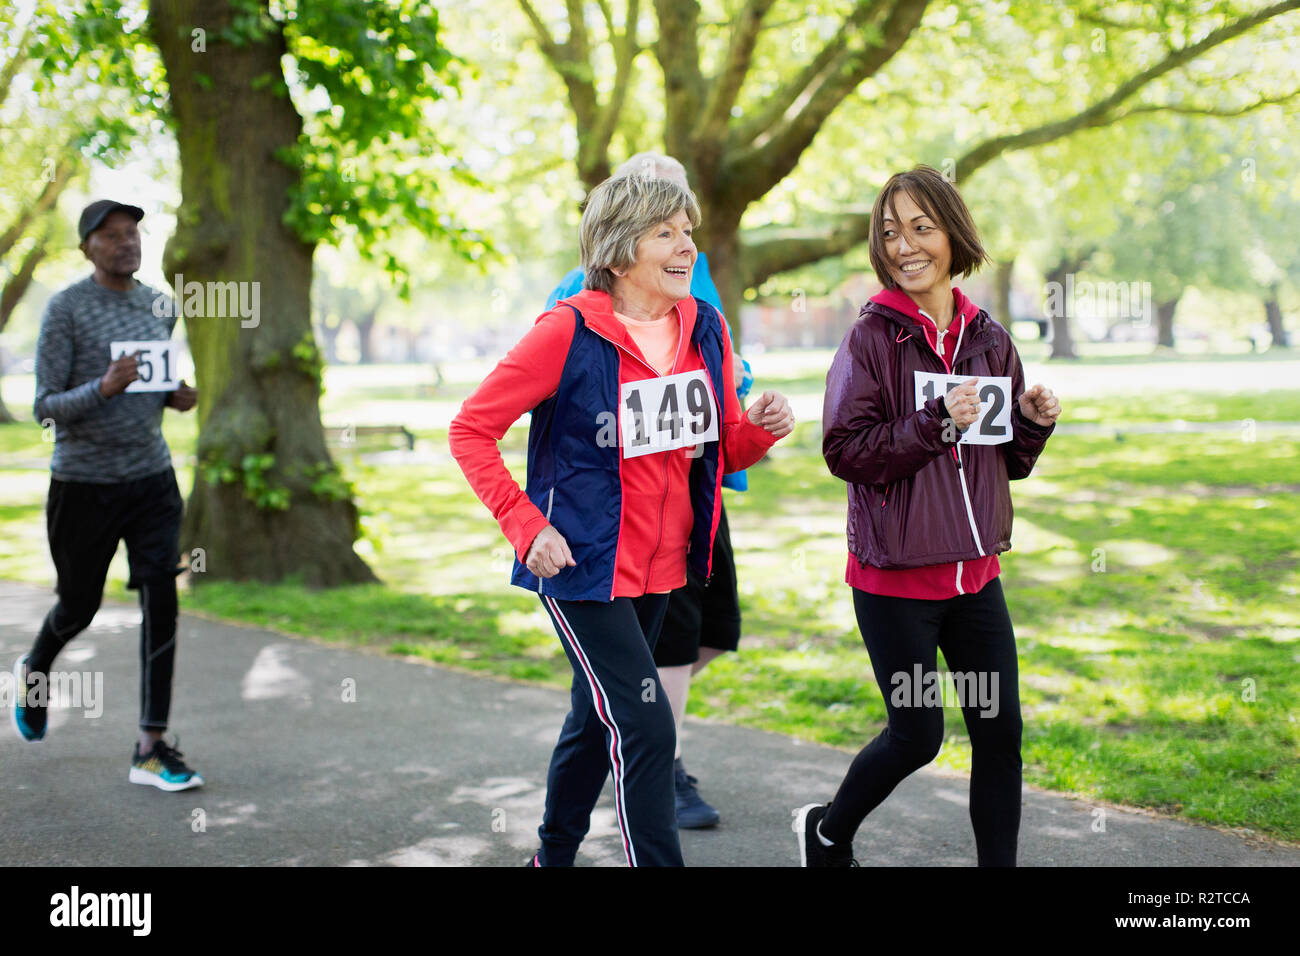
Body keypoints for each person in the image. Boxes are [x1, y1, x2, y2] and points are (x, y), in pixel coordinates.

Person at [450, 174, 793, 866]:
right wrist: (526, 525)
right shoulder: (566, 331)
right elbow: (470, 430)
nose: (685, 246)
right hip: (582, 567)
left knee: (590, 719)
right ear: (616, 248)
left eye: (687, 232)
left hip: (666, 564)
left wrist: (760, 430)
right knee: (644, 724)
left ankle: (550, 857)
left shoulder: (705, 327)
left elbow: (720, 436)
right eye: (664, 232)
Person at [795, 166, 1060, 866]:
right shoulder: (872, 339)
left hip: (976, 578)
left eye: (921, 227)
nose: (906, 245)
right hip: (896, 581)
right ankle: (827, 831)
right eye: (890, 233)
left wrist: (1030, 425)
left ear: (952, 233)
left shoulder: (989, 337)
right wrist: (934, 420)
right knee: (917, 736)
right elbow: (846, 452)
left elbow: (1004, 462)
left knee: (1000, 735)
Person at [545, 151, 754, 829]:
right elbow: (509, 410)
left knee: (710, 633)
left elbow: (717, 384)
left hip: (693, 498)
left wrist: (748, 405)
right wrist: (531, 525)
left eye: (682, 206)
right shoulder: (572, 302)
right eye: (661, 215)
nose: (682, 238)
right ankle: (655, 762)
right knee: (636, 703)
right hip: (602, 526)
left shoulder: (699, 295)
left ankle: (618, 760)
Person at [12, 199, 203, 792]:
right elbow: (45, 408)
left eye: (134, 233)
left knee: (161, 602)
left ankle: (151, 745)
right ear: (87, 246)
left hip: (151, 480)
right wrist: (102, 387)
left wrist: (173, 395)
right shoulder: (66, 309)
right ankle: (34, 670)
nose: (128, 243)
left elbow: (155, 381)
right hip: (84, 486)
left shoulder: (159, 305)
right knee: (78, 605)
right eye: (113, 235)